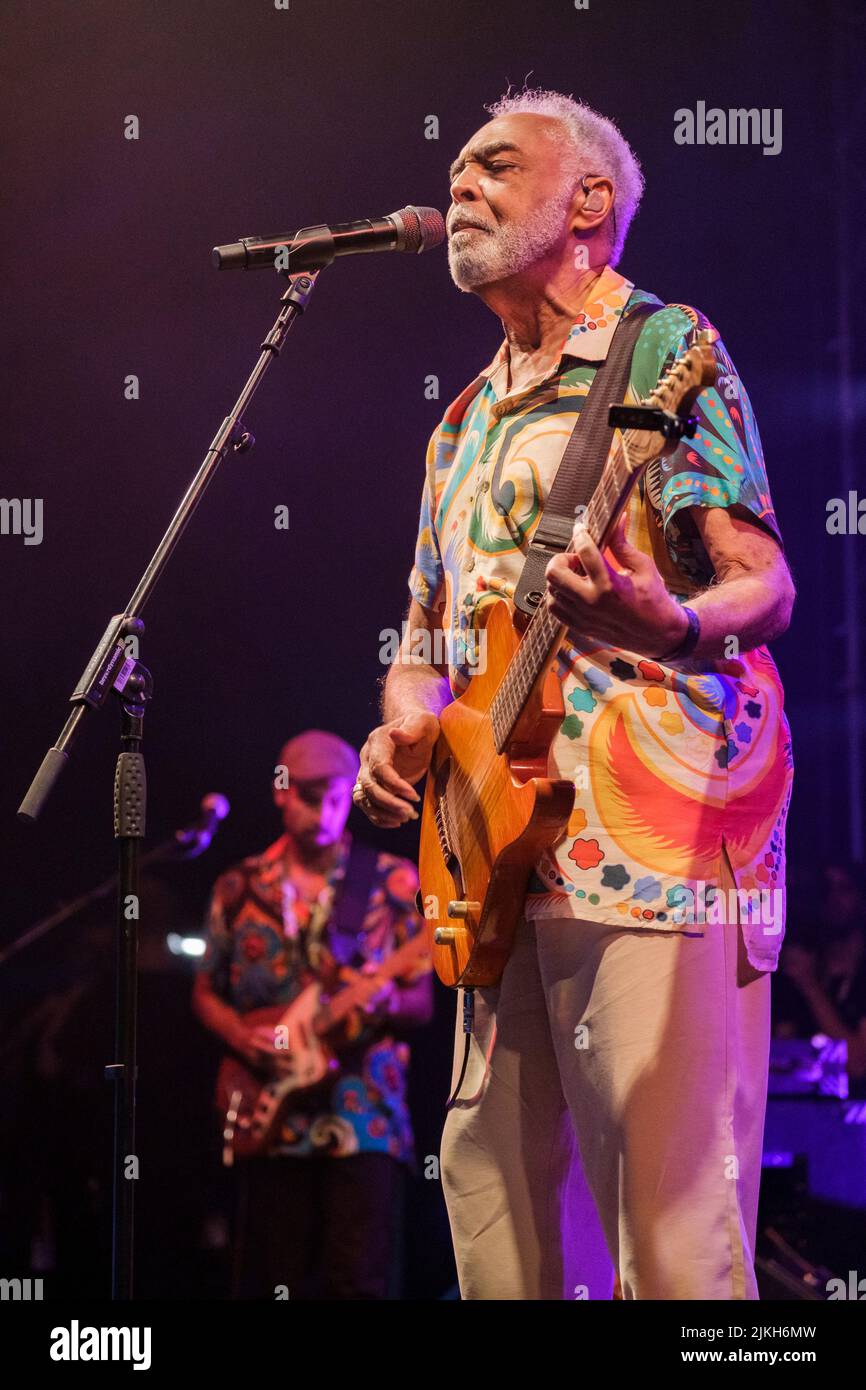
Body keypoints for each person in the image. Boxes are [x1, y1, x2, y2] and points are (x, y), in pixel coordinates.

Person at [353, 87, 795, 1300]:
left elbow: (764, 583)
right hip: (494, 861)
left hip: (656, 842)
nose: (459, 190)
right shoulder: (457, 425)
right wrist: (401, 724)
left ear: (587, 200)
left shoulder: (664, 349)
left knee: (673, 1246)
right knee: (496, 1226)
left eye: (493, 164)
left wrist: (676, 618)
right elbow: (422, 637)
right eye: (450, 176)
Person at [192, 729, 433, 1299]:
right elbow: (204, 990)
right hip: (267, 1113)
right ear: (281, 791)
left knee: (360, 1283)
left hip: (363, 1116)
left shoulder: (394, 882)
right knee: (271, 1280)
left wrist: (387, 1000)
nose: (323, 811)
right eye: (307, 795)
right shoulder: (238, 885)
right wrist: (241, 1036)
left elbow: (421, 1003)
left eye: (335, 796)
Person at [778, 860, 866, 1097]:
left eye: (844, 888)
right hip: (799, 1111)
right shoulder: (800, 965)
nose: (834, 899)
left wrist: (809, 986)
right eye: (827, 889)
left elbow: (857, 1064)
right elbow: (781, 1054)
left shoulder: (811, 977)